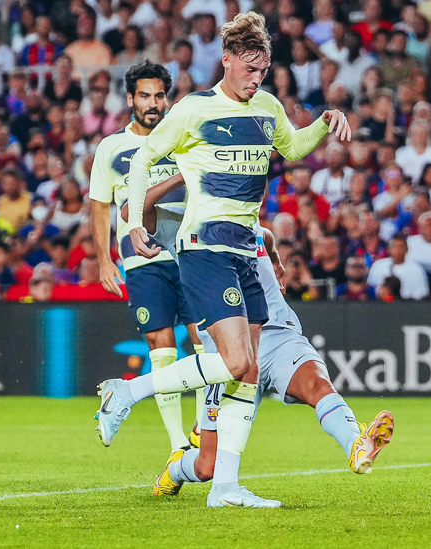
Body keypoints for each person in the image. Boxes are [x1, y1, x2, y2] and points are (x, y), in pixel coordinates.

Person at [95, 13, 352, 509]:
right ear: (227, 62)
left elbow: (292, 147)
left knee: (247, 371)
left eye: (263, 70)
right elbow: (145, 157)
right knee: (235, 362)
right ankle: (125, 394)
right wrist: (132, 226)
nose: (256, 79)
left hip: (243, 251)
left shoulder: (268, 107)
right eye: (248, 69)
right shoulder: (194, 109)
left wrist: (322, 123)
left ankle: (225, 488)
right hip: (203, 247)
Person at [133, 176, 392, 496]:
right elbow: (135, 208)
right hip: (230, 351)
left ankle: (356, 443)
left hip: (277, 332)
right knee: (207, 466)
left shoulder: (244, 217)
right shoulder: (182, 225)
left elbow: (265, 236)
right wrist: (184, 175)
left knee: (317, 385)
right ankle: (175, 469)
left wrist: (276, 261)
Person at [87, 60, 204, 458]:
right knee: (161, 346)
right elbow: (102, 207)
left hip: (190, 251)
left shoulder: (184, 139)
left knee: (208, 342)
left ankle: (205, 423)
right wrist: (104, 259)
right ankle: (178, 447)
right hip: (141, 258)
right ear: (130, 99)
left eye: (159, 95)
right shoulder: (111, 147)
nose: (153, 103)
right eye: (145, 96)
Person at [368, 233, 429, 300]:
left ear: (407, 249)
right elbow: (370, 289)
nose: (397, 250)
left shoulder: (416, 269)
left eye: (400, 247)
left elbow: (421, 295)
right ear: (388, 249)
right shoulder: (378, 266)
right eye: (394, 247)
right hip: (382, 304)